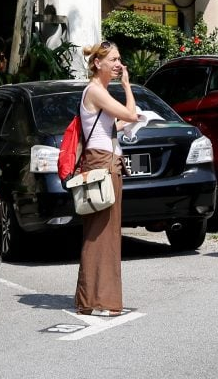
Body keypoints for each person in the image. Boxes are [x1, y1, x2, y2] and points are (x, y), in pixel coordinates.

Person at [75, 41, 139, 316]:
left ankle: (93, 300)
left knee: (103, 233)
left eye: (119, 59)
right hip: (102, 164)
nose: (118, 64)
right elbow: (129, 113)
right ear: (97, 63)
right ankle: (100, 301)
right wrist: (127, 86)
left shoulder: (99, 92)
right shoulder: (95, 91)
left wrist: (132, 119)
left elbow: (120, 122)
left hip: (105, 162)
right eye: (112, 60)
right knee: (103, 234)